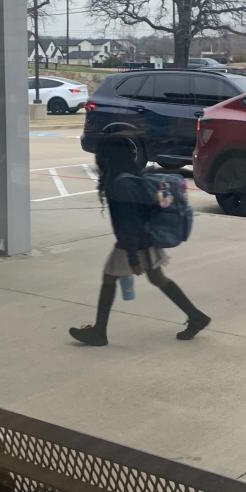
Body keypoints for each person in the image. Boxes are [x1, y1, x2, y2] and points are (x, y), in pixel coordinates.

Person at [69, 134, 210, 346]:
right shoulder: (128, 176)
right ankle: (196, 316)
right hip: (144, 239)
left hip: (133, 243)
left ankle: (99, 332)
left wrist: (134, 257)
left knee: (109, 278)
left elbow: (129, 222)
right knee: (157, 279)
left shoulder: (121, 183)